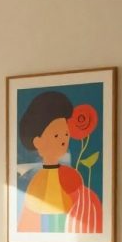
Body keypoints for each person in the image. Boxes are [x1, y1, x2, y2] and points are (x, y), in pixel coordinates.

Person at [17, 90, 102, 233]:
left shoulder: (72, 177)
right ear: (37, 141)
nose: (63, 140)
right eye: (56, 135)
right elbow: (29, 220)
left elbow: (82, 205)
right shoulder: (36, 182)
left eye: (66, 134)